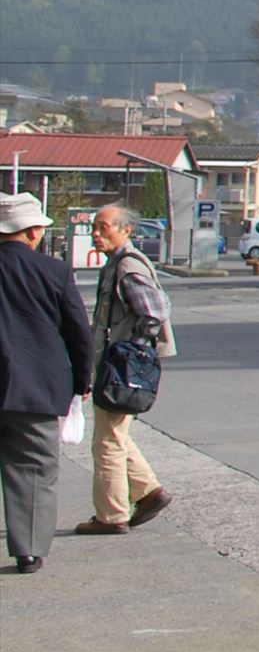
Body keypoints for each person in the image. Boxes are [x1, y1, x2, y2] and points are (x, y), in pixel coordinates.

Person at [1, 192, 92, 573]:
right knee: (35, 467)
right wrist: (82, 380)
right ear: (34, 231)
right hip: (36, 385)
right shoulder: (54, 271)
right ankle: (29, 551)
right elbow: (78, 332)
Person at [73, 204, 171, 537]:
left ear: (126, 230)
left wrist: (130, 348)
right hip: (114, 364)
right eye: (95, 228)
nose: (97, 235)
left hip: (120, 367)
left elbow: (155, 310)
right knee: (114, 434)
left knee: (107, 442)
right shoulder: (118, 264)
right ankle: (149, 492)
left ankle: (112, 515)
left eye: (104, 228)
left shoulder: (127, 266)